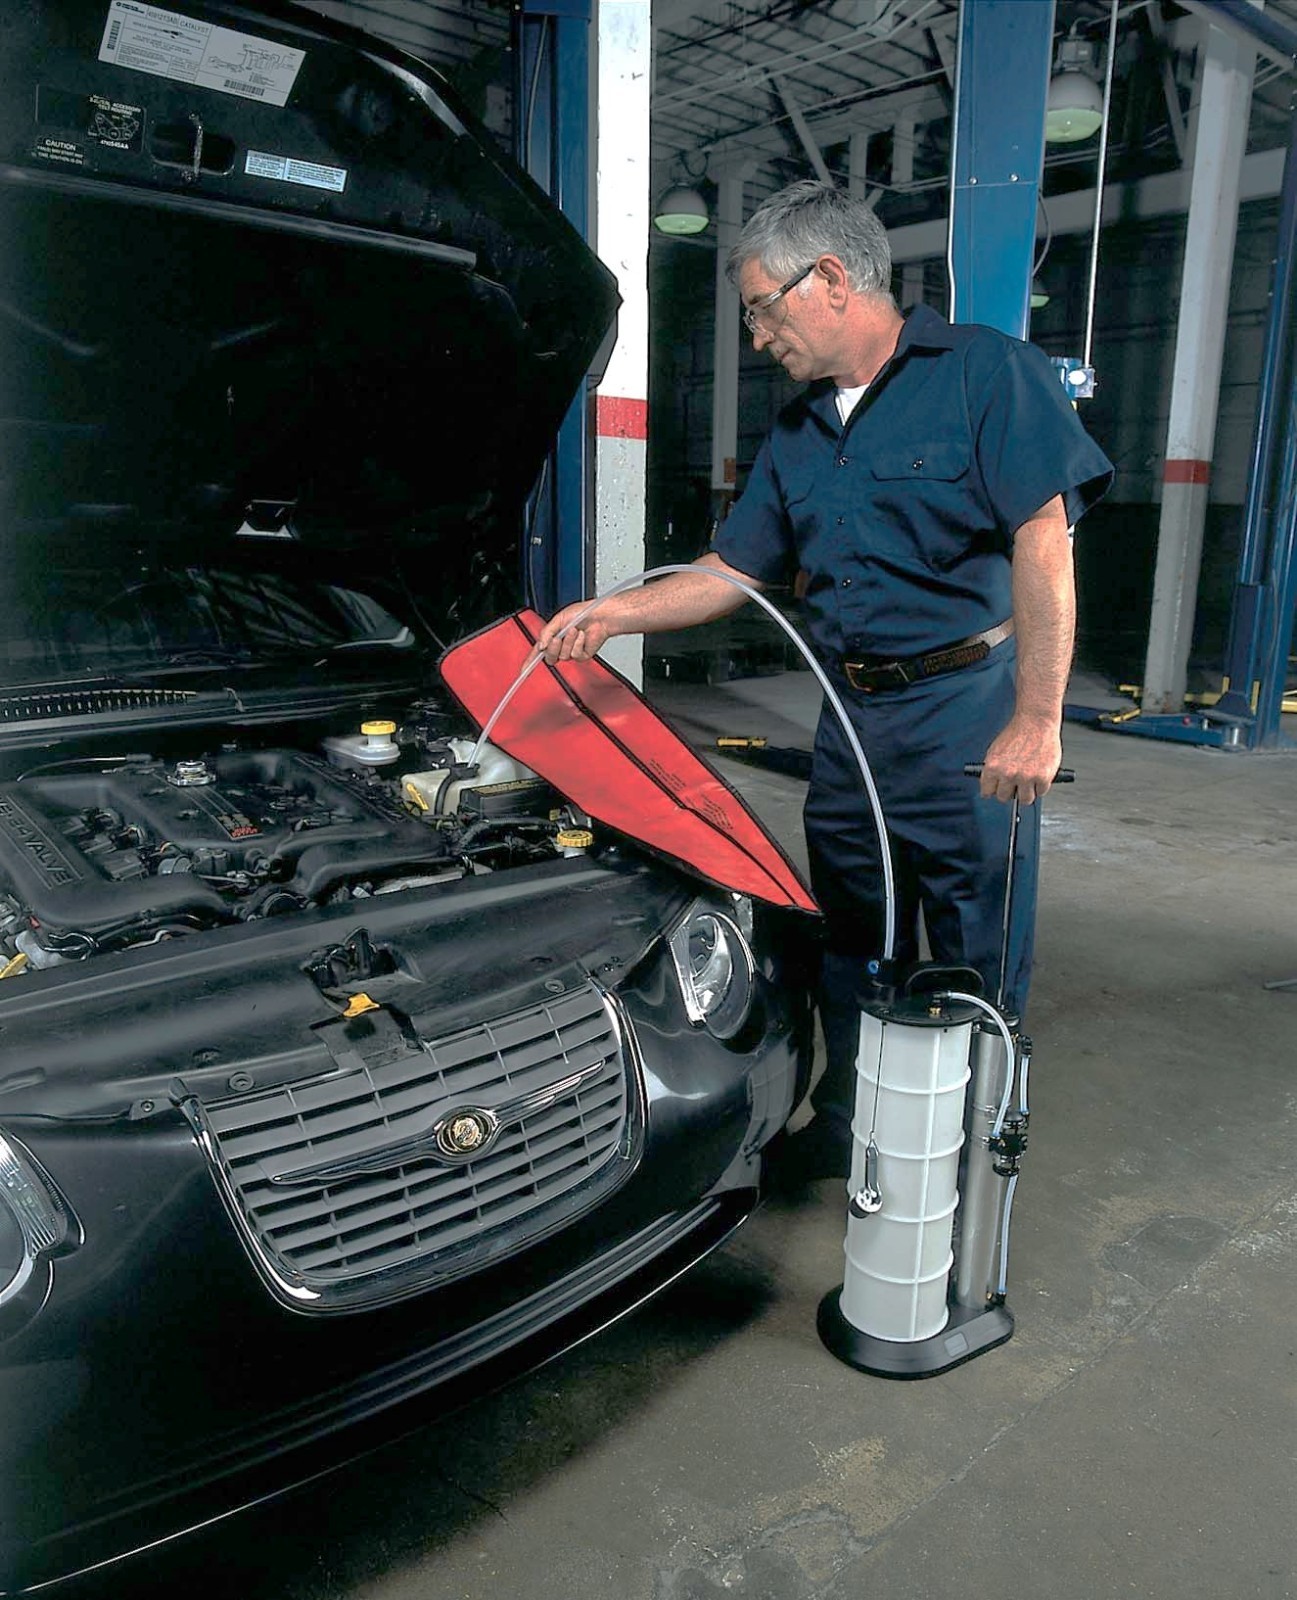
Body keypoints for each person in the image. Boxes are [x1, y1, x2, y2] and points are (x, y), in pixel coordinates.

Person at [537, 180, 1113, 1181]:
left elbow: (1042, 540)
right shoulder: (799, 430)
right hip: (850, 720)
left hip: (964, 713)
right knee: (849, 935)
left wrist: (1036, 716)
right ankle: (848, 1122)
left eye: (762, 309)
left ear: (832, 278)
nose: (757, 336)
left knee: (974, 939)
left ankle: (971, 1146)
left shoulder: (985, 374)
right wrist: (614, 612)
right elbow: (731, 572)